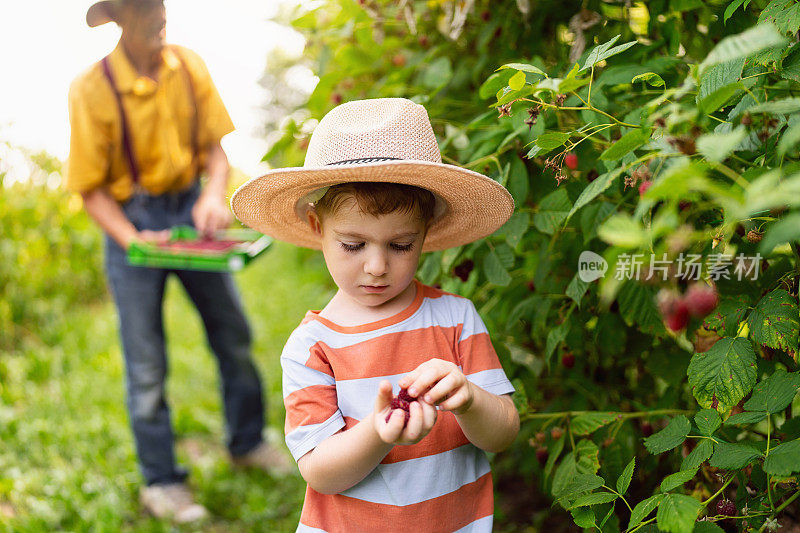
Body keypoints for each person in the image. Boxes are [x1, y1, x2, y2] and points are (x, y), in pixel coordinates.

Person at [230, 98, 521, 532]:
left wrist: (470, 399)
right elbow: (321, 472)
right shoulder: (312, 347)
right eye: (353, 245)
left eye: (401, 245)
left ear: (426, 234)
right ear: (317, 227)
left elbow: (504, 433)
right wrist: (378, 433)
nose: (377, 266)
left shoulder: (456, 317)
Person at [65, 0, 290, 523]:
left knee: (232, 333)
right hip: (131, 221)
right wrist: (135, 239)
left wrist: (213, 194)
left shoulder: (187, 66)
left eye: (161, 4)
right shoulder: (90, 89)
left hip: (188, 210)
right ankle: (162, 482)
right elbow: (90, 190)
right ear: (119, 17)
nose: (159, 13)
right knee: (146, 363)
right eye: (146, 6)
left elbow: (216, 151)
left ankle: (248, 441)